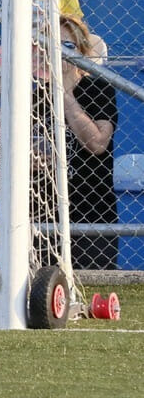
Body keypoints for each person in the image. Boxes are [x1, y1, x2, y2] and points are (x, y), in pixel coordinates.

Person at [59, 15, 118, 271]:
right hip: (44, 216)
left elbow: (97, 143)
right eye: (53, 45)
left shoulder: (99, 88)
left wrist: (65, 94)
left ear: (82, 52)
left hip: (92, 213)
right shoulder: (32, 91)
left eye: (68, 47)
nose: (61, 54)